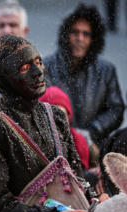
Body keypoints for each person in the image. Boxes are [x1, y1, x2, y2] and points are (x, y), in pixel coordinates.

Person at [0, 34, 93, 212]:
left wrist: (92, 197)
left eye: (38, 62)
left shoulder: (57, 117)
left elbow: (76, 178)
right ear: (1, 81)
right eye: (24, 68)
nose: (37, 72)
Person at [44, 4, 124, 147]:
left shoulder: (106, 70)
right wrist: (67, 135)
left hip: (94, 145)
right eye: (74, 32)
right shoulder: (46, 67)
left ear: (93, 39)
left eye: (86, 34)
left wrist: (93, 131)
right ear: (65, 34)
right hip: (56, 146)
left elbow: (116, 109)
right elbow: (41, 110)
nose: (79, 38)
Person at [39, 86, 90, 170]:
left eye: (62, 116)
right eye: (53, 116)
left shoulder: (79, 142)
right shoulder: (37, 144)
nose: (58, 121)